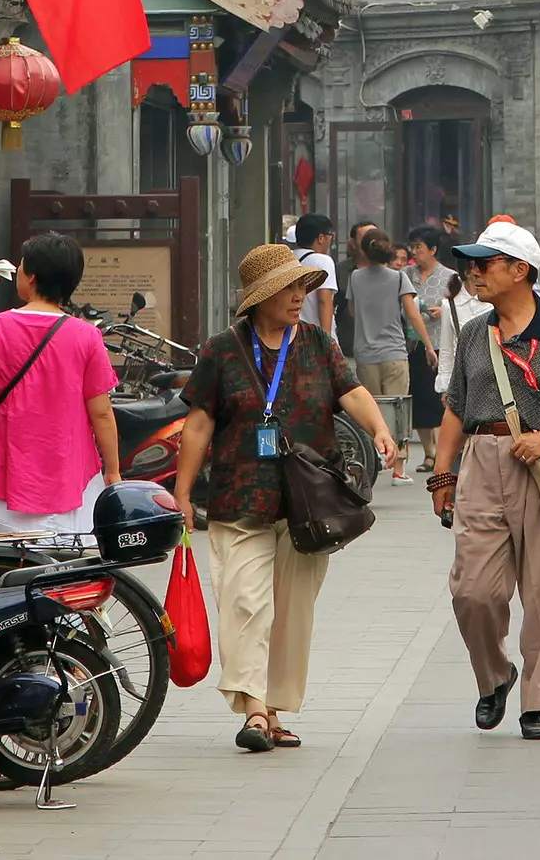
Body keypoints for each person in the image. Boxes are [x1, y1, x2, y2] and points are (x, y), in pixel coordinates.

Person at [174, 243, 399, 753]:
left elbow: (351, 392)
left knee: (292, 611)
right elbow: (200, 423)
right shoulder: (222, 350)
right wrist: (183, 492)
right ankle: (254, 709)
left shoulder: (318, 343)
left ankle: (274, 709)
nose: (299, 296)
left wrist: (381, 429)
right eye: (289, 288)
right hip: (241, 498)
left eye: (302, 286)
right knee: (247, 603)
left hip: (306, 503)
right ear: (260, 297)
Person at [431, 220, 540, 742]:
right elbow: (456, 409)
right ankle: (495, 676)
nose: (473, 272)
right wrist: (443, 473)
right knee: (472, 591)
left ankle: (536, 701)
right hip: (482, 461)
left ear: (519, 270)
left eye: (484, 264)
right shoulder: (472, 332)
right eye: (471, 264)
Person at [0, 231, 121, 535]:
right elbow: (101, 412)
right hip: (69, 477)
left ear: (32, 277)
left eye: (21, 266)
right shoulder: (86, 336)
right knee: (70, 572)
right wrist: (113, 471)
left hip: (1, 478)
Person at [348, 230, 436, 485]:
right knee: (398, 409)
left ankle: (372, 462)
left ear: (363, 250)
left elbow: (353, 311)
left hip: (365, 354)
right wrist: (428, 346)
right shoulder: (398, 278)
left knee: (371, 410)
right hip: (395, 353)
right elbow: (413, 315)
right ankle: (399, 469)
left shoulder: (355, 278)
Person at [408, 225, 455, 473]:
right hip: (413, 344)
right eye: (413, 247)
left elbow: (459, 306)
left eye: (419, 247)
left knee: (438, 398)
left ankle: (442, 451)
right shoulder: (406, 274)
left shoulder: (449, 276)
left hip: (439, 344)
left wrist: (443, 310)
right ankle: (429, 453)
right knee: (420, 400)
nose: (415, 252)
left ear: (433, 249)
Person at [434, 271, 491, 420]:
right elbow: (446, 348)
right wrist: (445, 387)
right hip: (462, 378)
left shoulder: (493, 301)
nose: (477, 270)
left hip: (491, 375)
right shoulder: (450, 304)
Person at [291, 213, 339, 334]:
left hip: (292, 335)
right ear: (321, 238)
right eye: (330, 236)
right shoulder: (323, 261)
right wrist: (326, 340)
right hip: (315, 335)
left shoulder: (288, 259)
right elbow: (324, 300)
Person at [336, 221, 379, 353]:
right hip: (350, 346)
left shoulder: (393, 271)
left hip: (384, 349)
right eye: (365, 239)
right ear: (353, 243)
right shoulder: (340, 271)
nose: (371, 243)